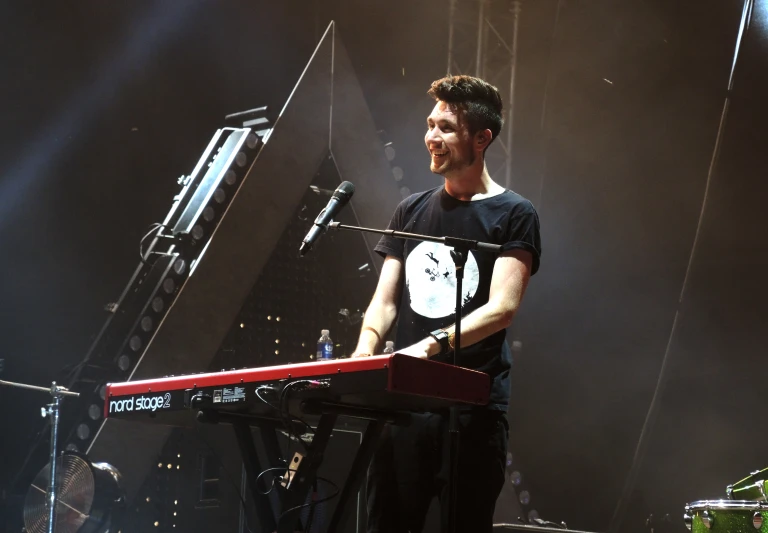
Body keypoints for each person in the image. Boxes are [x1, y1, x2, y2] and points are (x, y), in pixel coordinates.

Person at [351, 75, 541, 533]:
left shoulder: (515, 213)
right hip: (404, 407)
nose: (431, 138)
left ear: (482, 138)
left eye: (446, 129)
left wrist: (428, 349)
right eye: (430, 125)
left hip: (472, 413)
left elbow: (503, 308)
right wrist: (365, 348)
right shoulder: (411, 211)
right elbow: (385, 302)